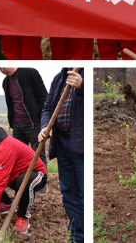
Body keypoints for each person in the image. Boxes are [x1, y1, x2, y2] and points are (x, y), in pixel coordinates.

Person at [40, 69, 84, 242]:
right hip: (62, 143)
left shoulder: (86, 74)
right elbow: (47, 107)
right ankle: (77, 236)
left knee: (83, 191)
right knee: (69, 193)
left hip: (81, 145)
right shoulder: (59, 78)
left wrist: (82, 86)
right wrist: (45, 126)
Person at [0, 67, 49, 167]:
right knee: (20, 156)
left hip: (33, 124)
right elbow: (11, 104)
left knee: (38, 154)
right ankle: (25, 181)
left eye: (3, 66)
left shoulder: (30, 73)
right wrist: (14, 125)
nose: (2, 70)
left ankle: (41, 179)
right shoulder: (5, 82)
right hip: (17, 125)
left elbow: (43, 97)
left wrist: (42, 121)